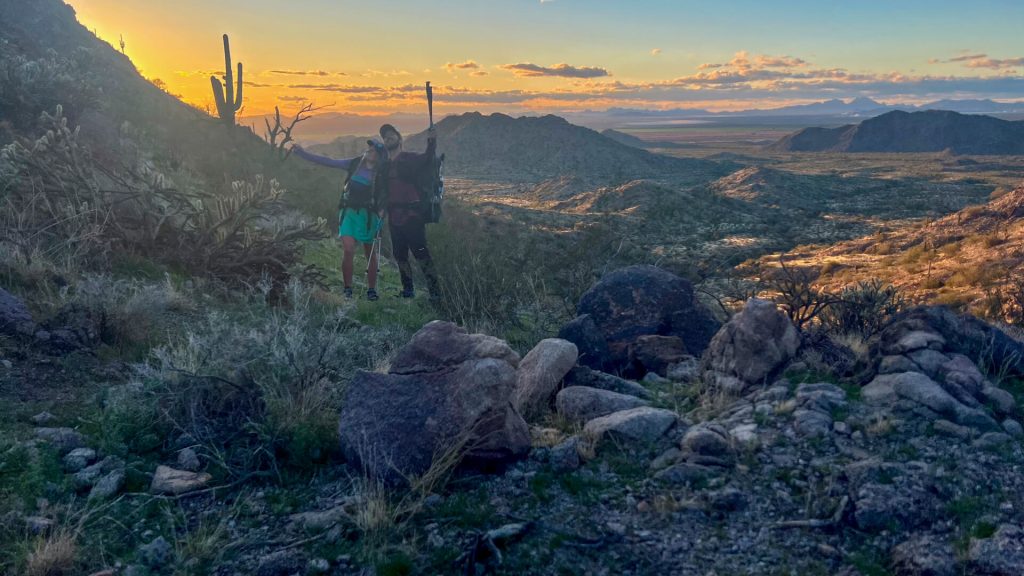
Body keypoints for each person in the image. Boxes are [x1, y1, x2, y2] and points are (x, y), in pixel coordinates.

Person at [291, 140, 388, 300]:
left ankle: (371, 290)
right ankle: (347, 289)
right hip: (348, 212)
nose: (369, 152)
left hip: (369, 216)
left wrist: (382, 214)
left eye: (373, 151)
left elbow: (386, 195)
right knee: (348, 249)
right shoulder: (354, 163)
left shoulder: (382, 172)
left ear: (379, 156)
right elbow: (329, 162)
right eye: (368, 149)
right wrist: (302, 153)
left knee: (369, 253)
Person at [379, 123, 439, 299]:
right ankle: (408, 290)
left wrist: (431, 141)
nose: (387, 137)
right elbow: (382, 190)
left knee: (422, 255)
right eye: (384, 136)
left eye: (391, 135)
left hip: (413, 217)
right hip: (394, 217)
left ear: (399, 139)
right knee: (400, 256)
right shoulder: (384, 167)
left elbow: (428, 159)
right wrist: (380, 208)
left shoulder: (410, 158)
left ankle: (435, 293)